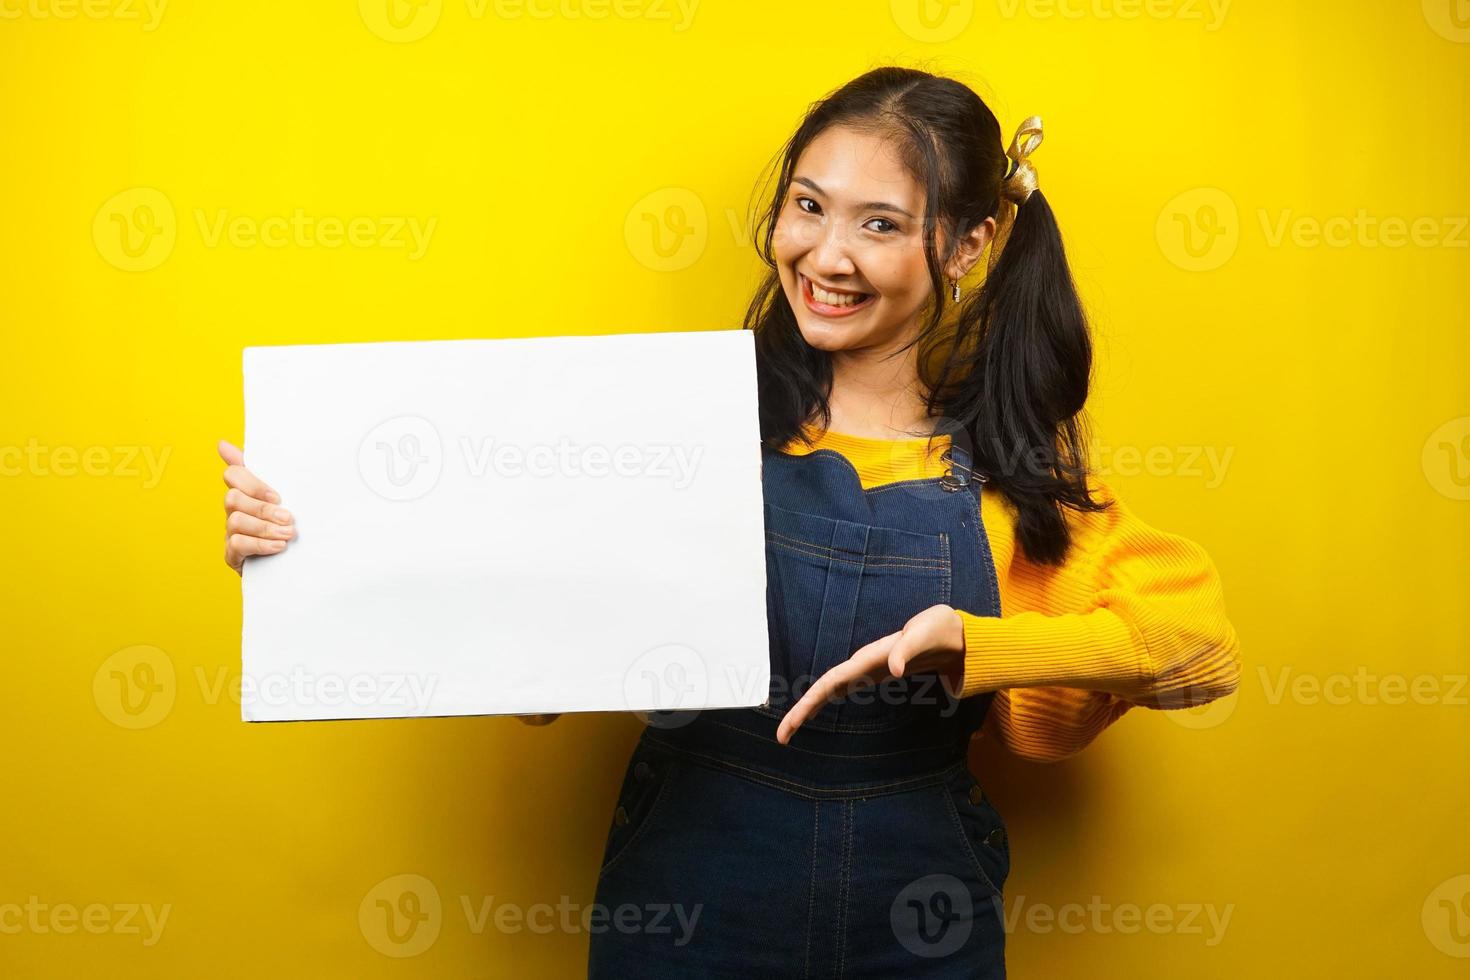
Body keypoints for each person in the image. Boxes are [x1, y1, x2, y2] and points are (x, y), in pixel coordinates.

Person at [219, 66, 1241, 977]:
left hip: (921, 917)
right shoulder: (677, 431)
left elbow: (1199, 650)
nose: (824, 254)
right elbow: (531, 670)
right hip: (687, 905)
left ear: (971, 242)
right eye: (808, 206)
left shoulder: (1012, 480)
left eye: (879, 223)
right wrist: (307, 547)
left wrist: (974, 641)